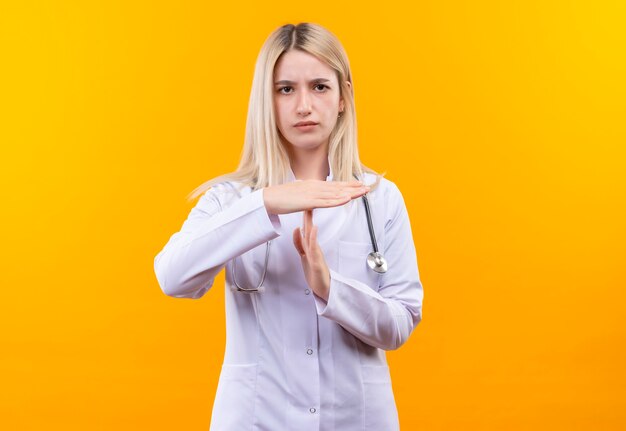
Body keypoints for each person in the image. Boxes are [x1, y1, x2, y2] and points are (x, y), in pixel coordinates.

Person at [153, 22, 424, 431]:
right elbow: (172, 276)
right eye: (285, 89)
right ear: (268, 100)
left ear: (343, 98)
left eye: (319, 87)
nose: (303, 106)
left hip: (355, 418)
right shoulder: (232, 199)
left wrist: (329, 287)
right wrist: (265, 203)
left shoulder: (379, 198)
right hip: (257, 418)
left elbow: (400, 323)